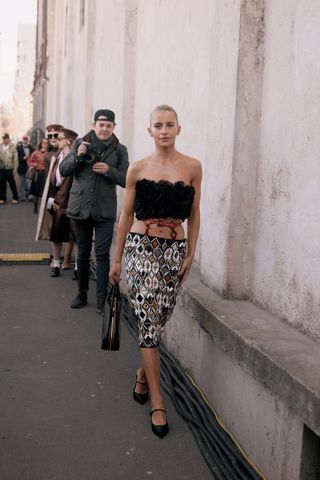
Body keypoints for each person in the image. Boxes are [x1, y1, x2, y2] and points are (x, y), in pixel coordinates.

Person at [109, 105, 202, 438]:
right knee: (148, 324)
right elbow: (124, 217)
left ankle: (142, 374)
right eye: (157, 125)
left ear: (179, 128)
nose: (164, 130)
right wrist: (117, 260)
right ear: (150, 131)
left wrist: (190, 252)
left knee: (160, 320)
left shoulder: (192, 167)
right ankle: (158, 402)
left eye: (169, 125)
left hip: (174, 252)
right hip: (141, 248)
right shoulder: (137, 168)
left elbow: (195, 213)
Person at [60, 109, 129, 313]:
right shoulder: (80, 143)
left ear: (113, 127)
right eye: (101, 124)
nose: (104, 128)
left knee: (102, 255)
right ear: (94, 125)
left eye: (109, 125)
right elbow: (64, 170)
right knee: (82, 253)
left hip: (104, 210)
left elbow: (126, 179)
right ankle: (81, 294)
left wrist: (110, 171)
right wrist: (79, 156)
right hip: (81, 208)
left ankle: (101, 300)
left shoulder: (120, 150)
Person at [45, 128, 78, 278]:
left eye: (60, 138)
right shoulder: (56, 158)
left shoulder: (77, 157)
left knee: (76, 236)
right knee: (56, 235)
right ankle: (56, 265)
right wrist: (51, 199)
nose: (57, 140)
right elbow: (50, 182)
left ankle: (79, 267)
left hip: (74, 202)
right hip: (58, 202)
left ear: (69, 141)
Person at [27, 139, 49, 213]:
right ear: (41, 143)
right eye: (43, 142)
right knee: (36, 192)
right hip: (38, 173)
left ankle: (44, 208)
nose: (45, 144)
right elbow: (29, 161)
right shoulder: (36, 153)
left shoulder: (50, 153)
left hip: (46, 174)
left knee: (45, 191)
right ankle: (35, 207)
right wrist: (33, 165)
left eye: (46, 143)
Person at [0, 133, 19, 204]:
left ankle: (15, 197)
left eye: (6, 138)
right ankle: (2, 198)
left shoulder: (13, 147)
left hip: (10, 168)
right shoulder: (0, 147)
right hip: (1, 168)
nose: (5, 140)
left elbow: (16, 159)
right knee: (2, 184)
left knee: (12, 184)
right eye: (4, 138)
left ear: (8, 139)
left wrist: (15, 169)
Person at [17, 135, 35, 201]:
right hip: (21, 167)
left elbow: (34, 156)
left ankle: (30, 196)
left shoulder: (31, 148)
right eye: (24, 139)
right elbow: (16, 158)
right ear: (22, 140)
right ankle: (22, 196)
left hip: (29, 168)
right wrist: (23, 158)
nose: (25, 140)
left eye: (26, 139)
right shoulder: (18, 148)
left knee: (30, 182)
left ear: (28, 140)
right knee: (22, 182)